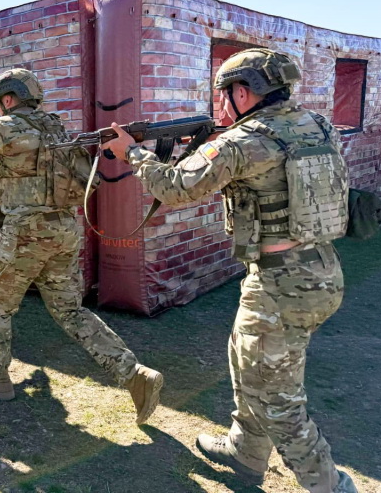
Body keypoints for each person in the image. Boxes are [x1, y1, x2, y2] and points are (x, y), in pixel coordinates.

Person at [103, 48, 356, 492]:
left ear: (244, 92)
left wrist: (133, 153)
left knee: (277, 400)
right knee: (246, 363)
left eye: (224, 93)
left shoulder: (243, 141)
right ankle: (246, 452)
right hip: (318, 271)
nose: (221, 103)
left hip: (280, 286)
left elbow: (176, 187)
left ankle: (329, 485)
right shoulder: (316, 124)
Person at [0, 68, 164, 425]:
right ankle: (134, 374)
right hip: (63, 229)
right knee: (70, 311)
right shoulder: (55, 128)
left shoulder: (5, 126)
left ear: (8, 99)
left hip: (25, 233)